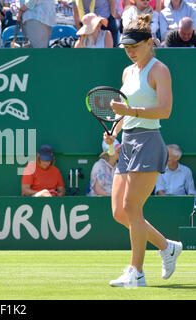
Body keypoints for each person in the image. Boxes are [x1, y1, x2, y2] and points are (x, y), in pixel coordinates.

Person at [105, 14, 182, 287]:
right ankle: (167, 247)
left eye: (134, 47)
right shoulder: (128, 72)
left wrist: (131, 111)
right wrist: (115, 128)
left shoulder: (160, 70)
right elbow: (125, 113)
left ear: (149, 43)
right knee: (119, 212)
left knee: (131, 206)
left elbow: (166, 110)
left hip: (149, 141)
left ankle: (136, 272)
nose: (129, 51)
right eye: (126, 47)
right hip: (126, 141)